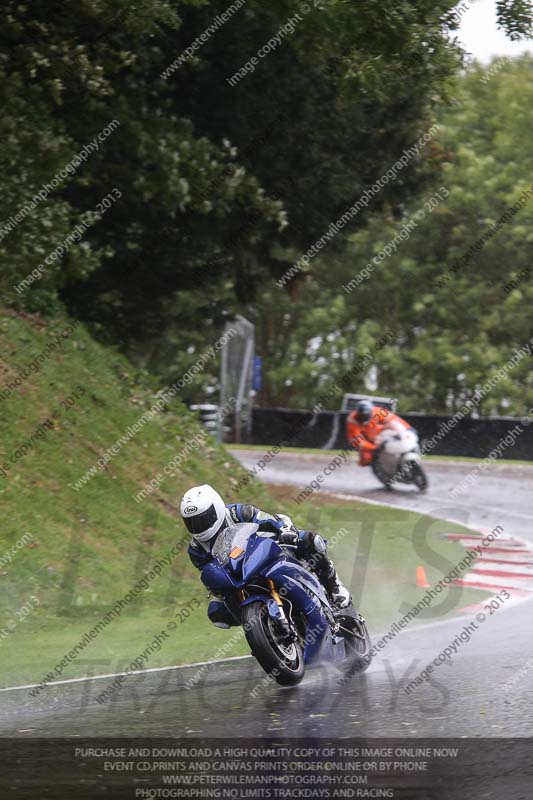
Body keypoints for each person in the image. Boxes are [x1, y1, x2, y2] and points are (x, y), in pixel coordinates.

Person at [180, 484, 351, 628]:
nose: (198, 526)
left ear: (216, 509)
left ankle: (334, 586)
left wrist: (285, 530)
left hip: (264, 556)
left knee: (310, 540)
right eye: (192, 522)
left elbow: (271, 519)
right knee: (217, 611)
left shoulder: (237, 513)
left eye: (203, 519)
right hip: (239, 578)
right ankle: (265, 628)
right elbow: (212, 574)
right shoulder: (196, 549)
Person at [346, 399, 412, 467]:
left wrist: (403, 433)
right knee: (365, 460)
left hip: (386, 434)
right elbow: (357, 442)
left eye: (366, 414)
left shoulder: (378, 412)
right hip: (369, 440)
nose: (364, 417)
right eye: (362, 415)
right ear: (358, 413)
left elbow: (393, 422)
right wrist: (374, 448)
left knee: (402, 436)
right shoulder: (352, 420)